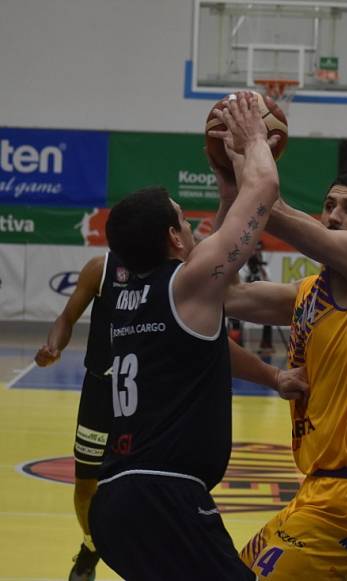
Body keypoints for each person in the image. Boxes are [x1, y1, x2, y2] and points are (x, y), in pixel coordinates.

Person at [88, 92, 306, 580]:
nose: (193, 228)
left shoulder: (134, 294)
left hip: (116, 501)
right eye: (184, 220)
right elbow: (265, 188)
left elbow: (212, 338)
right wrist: (253, 142)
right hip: (162, 498)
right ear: (171, 238)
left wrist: (228, 180)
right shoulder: (186, 285)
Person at [221, 172, 347, 579]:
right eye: (330, 206)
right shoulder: (307, 292)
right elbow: (226, 292)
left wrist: (250, 156)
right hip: (318, 490)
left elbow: (279, 214)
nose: (334, 216)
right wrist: (228, 191)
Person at [34, 252, 128, 581]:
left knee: (147, 484)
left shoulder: (171, 267)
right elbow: (66, 318)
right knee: (85, 483)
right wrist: (53, 347)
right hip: (100, 390)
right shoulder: (101, 268)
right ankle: (91, 547)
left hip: (147, 393)